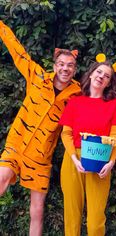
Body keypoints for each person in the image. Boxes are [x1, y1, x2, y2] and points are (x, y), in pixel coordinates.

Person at [0, 20, 80, 236]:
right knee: (1, 179)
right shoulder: (37, 77)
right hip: (17, 144)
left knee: (37, 210)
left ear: (74, 69)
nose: (65, 68)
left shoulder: (76, 94)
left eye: (70, 65)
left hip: (41, 157)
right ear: (55, 66)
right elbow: (18, 53)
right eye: (61, 64)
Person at [59, 54, 116, 236]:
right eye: (99, 71)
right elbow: (66, 133)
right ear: (91, 74)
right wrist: (73, 157)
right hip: (73, 160)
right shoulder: (74, 102)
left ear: (109, 83)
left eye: (107, 76)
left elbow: (115, 136)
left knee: (95, 221)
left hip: (101, 161)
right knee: (72, 216)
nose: (101, 76)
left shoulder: (115, 105)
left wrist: (111, 162)